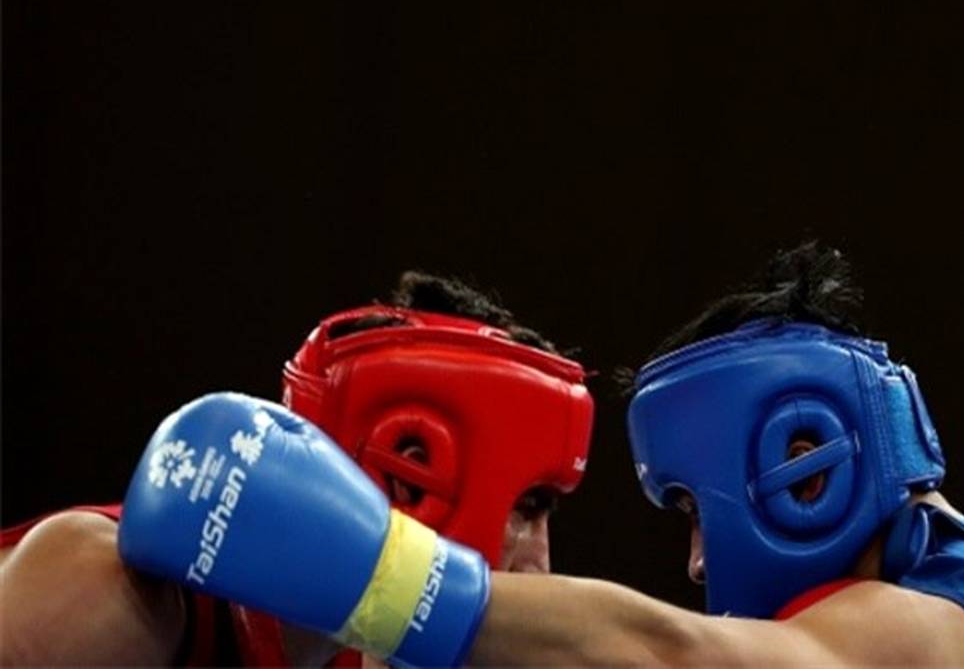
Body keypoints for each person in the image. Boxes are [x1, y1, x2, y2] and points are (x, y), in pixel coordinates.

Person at [115, 244, 964, 668]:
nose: (696, 563)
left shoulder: (917, 631)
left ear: (802, 466)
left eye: (689, 509)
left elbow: (671, 656)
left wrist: (378, 574)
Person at [0, 272, 594, 667]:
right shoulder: (117, 588)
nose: (540, 562)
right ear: (411, 473)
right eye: (529, 505)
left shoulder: (370, 651)